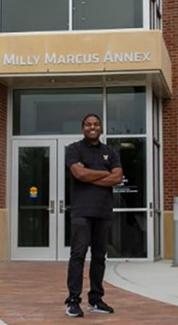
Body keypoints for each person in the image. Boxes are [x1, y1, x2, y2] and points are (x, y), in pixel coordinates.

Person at [64, 113, 123, 318]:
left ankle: (96, 299)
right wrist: (104, 173)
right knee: (78, 255)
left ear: (101, 128)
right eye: (88, 124)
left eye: (96, 124)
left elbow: (118, 177)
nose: (92, 127)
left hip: (103, 211)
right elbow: (78, 174)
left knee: (99, 257)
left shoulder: (110, 151)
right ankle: (73, 301)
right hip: (82, 211)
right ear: (83, 128)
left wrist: (89, 174)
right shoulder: (74, 149)